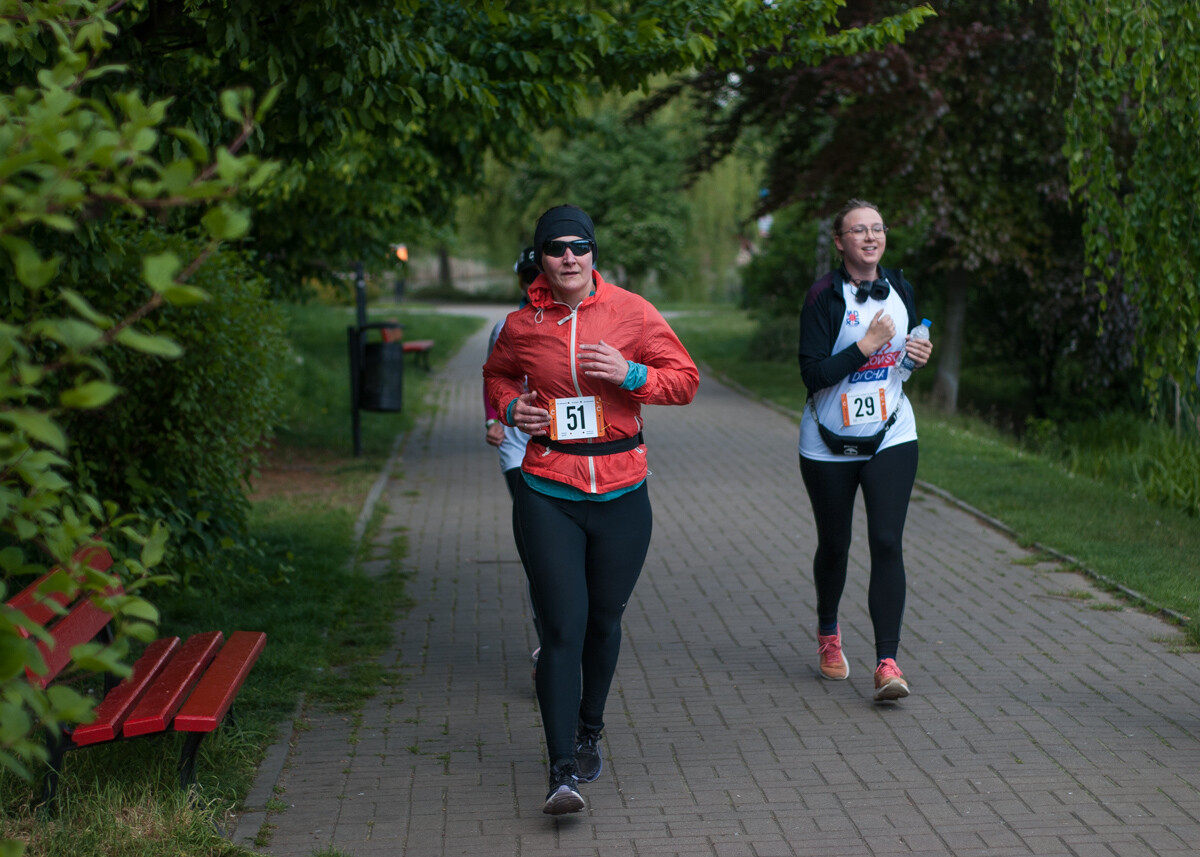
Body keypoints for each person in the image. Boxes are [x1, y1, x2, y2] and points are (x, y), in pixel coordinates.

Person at [483, 204, 699, 815]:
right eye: (556, 248)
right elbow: (498, 375)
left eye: (580, 246)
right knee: (561, 629)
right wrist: (508, 410)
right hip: (548, 488)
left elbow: (684, 379)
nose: (569, 257)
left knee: (603, 622)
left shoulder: (632, 311)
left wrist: (632, 374)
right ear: (541, 259)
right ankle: (559, 774)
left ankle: (589, 733)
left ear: (593, 252)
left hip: (624, 493)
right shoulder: (521, 324)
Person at [797, 198, 933, 703]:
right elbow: (812, 376)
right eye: (859, 230)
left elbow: (902, 362)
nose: (871, 237)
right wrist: (864, 347)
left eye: (877, 228)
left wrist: (916, 355)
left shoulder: (900, 287)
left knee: (887, 541)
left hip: (892, 433)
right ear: (841, 242)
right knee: (835, 545)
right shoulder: (822, 298)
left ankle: (887, 663)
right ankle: (829, 633)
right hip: (828, 444)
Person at [484, 247, 541, 675]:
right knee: (539, 544)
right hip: (518, 450)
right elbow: (494, 377)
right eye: (528, 276)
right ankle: (550, 641)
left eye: (539, 274)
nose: (534, 282)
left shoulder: (578, 321)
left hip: (565, 452)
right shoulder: (507, 326)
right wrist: (495, 419)